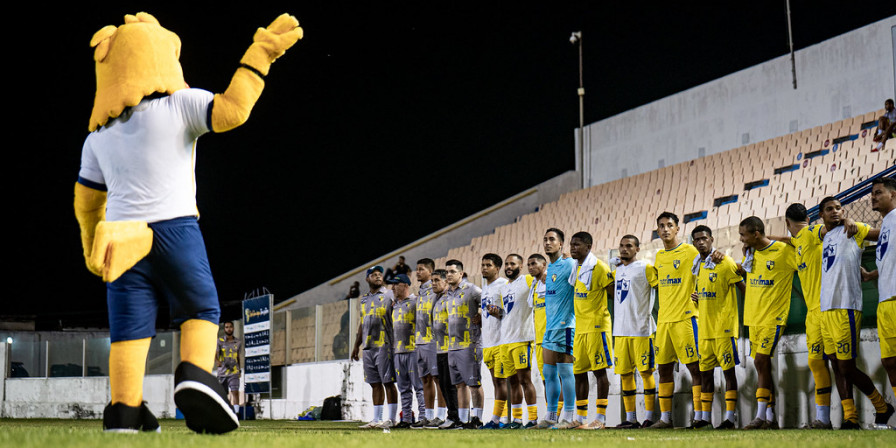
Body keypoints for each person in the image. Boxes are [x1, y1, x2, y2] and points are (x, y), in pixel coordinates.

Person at [74, 12, 300, 434]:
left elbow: (87, 201)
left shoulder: (97, 138)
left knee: (128, 331)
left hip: (120, 240)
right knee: (200, 308)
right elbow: (233, 110)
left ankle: (124, 411)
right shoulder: (181, 103)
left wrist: (92, 245)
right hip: (174, 227)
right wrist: (261, 54)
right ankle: (195, 376)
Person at [816, 197, 893, 429]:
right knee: (834, 364)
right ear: (822, 215)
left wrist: (853, 221)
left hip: (846, 306)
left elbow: (884, 234)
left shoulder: (854, 229)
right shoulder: (824, 235)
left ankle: (881, 406)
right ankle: (851, 417)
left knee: (846, 367)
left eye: (840, 208)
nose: (836, 212)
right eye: (830, 209)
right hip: (826, 308)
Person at [781, 203, 837, 428]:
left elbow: (828, 228)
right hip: (813, 313)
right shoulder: (798, 240)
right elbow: (791, 240)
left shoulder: (813, 232)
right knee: (816, 362)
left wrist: (843, 221)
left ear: (787, 222)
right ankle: (823, 419)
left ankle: (858, 412)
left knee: (840, 364)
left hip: (829, 309)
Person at [738, 216, 797, 430]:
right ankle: (770, 418)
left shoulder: (782, 251)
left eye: (743, 234)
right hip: (753, 318)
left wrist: (783, 238)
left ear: (756, 233)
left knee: (761, 361)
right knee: (762, 365)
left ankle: (760, 415)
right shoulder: (751, 254)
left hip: (774, 317)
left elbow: (803, 249)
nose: (741, 239)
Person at [648, 212, 702, 429]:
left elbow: (708, 267)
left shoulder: (690, 251)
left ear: (678, 228)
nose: (665, 229)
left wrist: (700, 291)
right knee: (663, 370)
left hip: (686, 318)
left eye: (669, 225)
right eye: (661, 226)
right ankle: (665, 418)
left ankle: (700, 417)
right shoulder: (660, 257)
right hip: (664, 322)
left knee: (695, 368)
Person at [690, 226, 745, 429]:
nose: (701, 242)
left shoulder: (725, 262)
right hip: (704, 330)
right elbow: (707, 293)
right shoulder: (698, 266)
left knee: (728, 373)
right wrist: (696, 298)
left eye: (704, 238)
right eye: (697, 240)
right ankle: (705, 418)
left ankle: (730, 418)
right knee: (705, 374)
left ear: (711, 239)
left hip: (724, 329)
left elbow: (743, 289)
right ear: (694, 243)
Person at [611, 235, 659, 429]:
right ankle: (631, 418)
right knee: (625, 375)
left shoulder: (646, 268)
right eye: (621, 246)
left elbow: (662, 290)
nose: (624, 249)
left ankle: (648, 417)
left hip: (642, 329)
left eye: (629, 246)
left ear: (637, 249)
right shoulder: (617, 271)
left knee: (646, 373)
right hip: (620, 331)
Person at [568, 232, 614, 429]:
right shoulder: (577, 268)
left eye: (577, 245)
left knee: (599, 372)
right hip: (580, 328)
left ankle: (601, 419)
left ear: (588, 246)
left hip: (597, 327)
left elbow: (614, 294)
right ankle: (580, 417)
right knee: (579, 373)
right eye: (571, 245)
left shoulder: (599, 267)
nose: (573, 248)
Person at [537, 228, 579, 429]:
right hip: (550, 328)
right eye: (545, 239)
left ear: (561, 244)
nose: (547, 243)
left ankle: (569, 415)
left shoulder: (570, 264)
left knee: (565, 370)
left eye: (552, 239)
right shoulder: (549, 269)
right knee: (548, 372)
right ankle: (551, 415)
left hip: (566, 326)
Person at [863, 177, 896, 424]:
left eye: (878, 192)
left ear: (892, 194)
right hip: (885, 301)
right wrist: (874, 274)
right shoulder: (886, 224)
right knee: (890, 361)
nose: (872, 197)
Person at [351, 266, 399, 429]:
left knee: (388, 382)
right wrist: (356, 345)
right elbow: (362, 323)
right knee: (374, 383)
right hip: (368, 347)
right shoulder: (364, 299)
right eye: (374, 275)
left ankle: (392, 419)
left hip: (384, 345)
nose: (378, 276)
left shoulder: (390, 294)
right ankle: (376, 419)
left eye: (380, 274)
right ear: (367, 279)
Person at [498, 254, 538, 428]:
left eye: (512, 264)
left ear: (521, 266)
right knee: (512, 381)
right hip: (505, 340)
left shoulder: (528, 280)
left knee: (525, 380)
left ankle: (533, 418)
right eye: (506, 264)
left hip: (522, 339)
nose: (508, 266)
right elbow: (507, 313)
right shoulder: (504, 287)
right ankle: (516, 419)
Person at [445, 260, 484, 429]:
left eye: (452, 271)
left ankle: (477, 419)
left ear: (461, 274)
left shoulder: (472, 290)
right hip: (452, 345)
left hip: (470, 344)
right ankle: (462, 419)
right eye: (447, 272)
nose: (449, 275)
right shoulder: (447, 294)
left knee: (474, 384)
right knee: (459, 384)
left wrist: (481, 314)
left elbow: (487, 302)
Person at [389, 274, 426, 428]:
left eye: (395, 285)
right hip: (398, 352)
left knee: (419, 386)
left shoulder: (416, 302)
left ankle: (423, 417)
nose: (392, 288)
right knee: (403, 388)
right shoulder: (395, 305)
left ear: (404, 285)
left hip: (413, 350)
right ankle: (406, 419)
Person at [411, 258, 443, 428]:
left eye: (421, 269)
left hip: (433, 341)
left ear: (431, 272)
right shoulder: (421, 292)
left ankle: (442, 415)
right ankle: (428, 417)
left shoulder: (436, 291)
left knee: (438, 379)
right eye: (417, 269)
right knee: (425, 380)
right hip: (420, 341)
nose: (418, 272)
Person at [479, 253, 510, 429]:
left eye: (488, 265)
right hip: (488, 341)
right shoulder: (485, 287)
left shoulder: (503, 285)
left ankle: (502, 419)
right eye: (483, 265)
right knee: (494, 381)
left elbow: (509, 311)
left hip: (500, 341)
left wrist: (499, 312)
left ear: (497, 268)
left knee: (501, 380)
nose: (484, 268)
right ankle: (498, 418)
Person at [429, 269, 461, 429]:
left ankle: (456, 417)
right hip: (440, 348)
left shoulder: (450, 298)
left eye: (436, 280)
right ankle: (451, 416)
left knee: (451, 384)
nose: (433, 284)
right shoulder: (437, 298)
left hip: (452, 348)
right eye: (432, 281)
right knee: (443, 384)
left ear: (445, 282)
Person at [527, 254, 549, 388]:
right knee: (545, 379)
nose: (530, 267)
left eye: (534, 264)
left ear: (544, 265)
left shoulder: (552, 279)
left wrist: (552, 271)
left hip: (553, 336)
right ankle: (551, 409)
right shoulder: (534, 285)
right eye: (529, 265)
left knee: (556, 377)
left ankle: (564, 409)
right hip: (539, 338)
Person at [216, 321, 243, 414]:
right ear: (224, 329)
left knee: (235, 391)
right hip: (222, 372)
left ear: (233, 328)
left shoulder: (238, 342)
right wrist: (217, 361)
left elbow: (238, 356)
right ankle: (222, 412)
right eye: (227, 327)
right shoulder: (219, 341)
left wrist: (239, 369)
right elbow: (215, 354)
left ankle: (236, 413)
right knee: (223, 394)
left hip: (234, 371)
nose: (229, 329)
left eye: (230, 327)